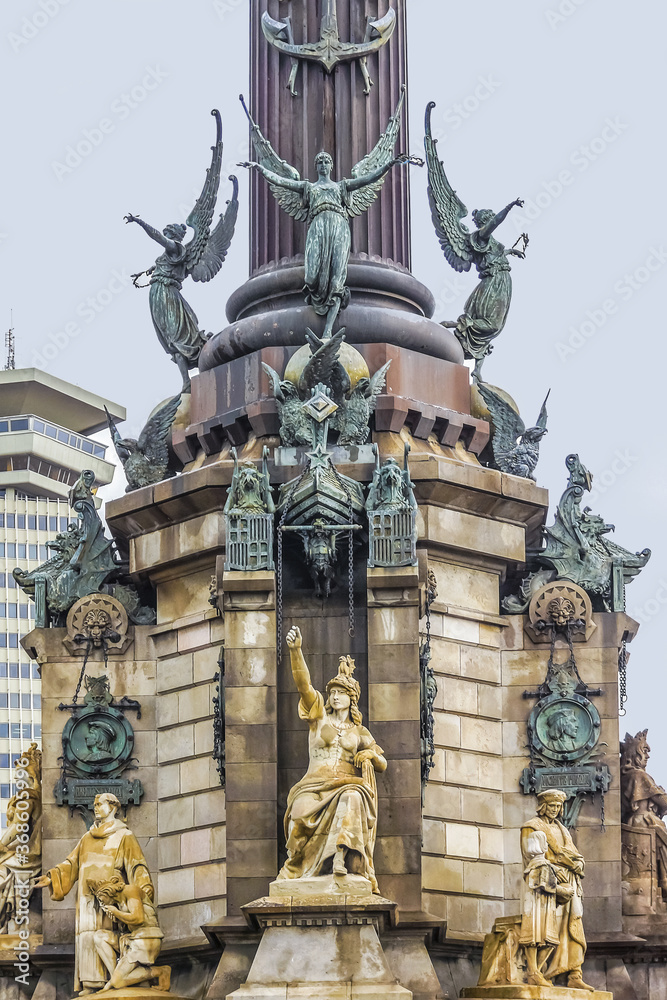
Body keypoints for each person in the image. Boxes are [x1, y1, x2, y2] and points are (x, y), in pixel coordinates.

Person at [278, 626, 386, 891]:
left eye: (341, 693)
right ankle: (295, 865)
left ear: (352, 699)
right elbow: (303, 685)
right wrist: (295, 651)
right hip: (313, 786)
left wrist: (370, 753)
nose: (335, 696)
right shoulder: (318, 718)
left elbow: (382, 764)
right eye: (333, 692)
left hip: (347, 784)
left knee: (353, 797)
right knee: (299, 817)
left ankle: (340, 859)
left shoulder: (360, 731)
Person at [35, 794, 154, 995]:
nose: (95, 808)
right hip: (86, 899)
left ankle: (114, 979)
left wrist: (144, 888)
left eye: (100, 804)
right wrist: (52, 876)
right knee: (88, 936)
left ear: (113, 807)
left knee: (107, 934)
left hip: (111, 898)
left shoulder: (124, 836)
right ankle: (91, 983)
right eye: (94, 805)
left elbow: (137, 865)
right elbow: (71, 864)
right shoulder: (86, 838)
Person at [521, 789, 594, 992]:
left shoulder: (562, 830)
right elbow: (531, 859)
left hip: (570, 882)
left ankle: (574, 973)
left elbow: (575, 855)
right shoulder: (531, 827)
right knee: (547, 929)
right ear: (543, 806)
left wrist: (578, 865)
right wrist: (556, 870)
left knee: (574, 924)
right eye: (551, 806)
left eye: (557, 806)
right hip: (548, 886)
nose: (554, 810)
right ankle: (541, 972)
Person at [88, 872, 169, 992]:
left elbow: (138, 918)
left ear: (107, 892)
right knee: (99, 936)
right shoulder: (119, 901)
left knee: (118, 982)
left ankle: (161, 971)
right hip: (132, 938)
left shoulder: (131, 890)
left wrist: (116, 912)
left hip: (146, 939)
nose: (101, 903)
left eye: (100, 899)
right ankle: (116, 978)